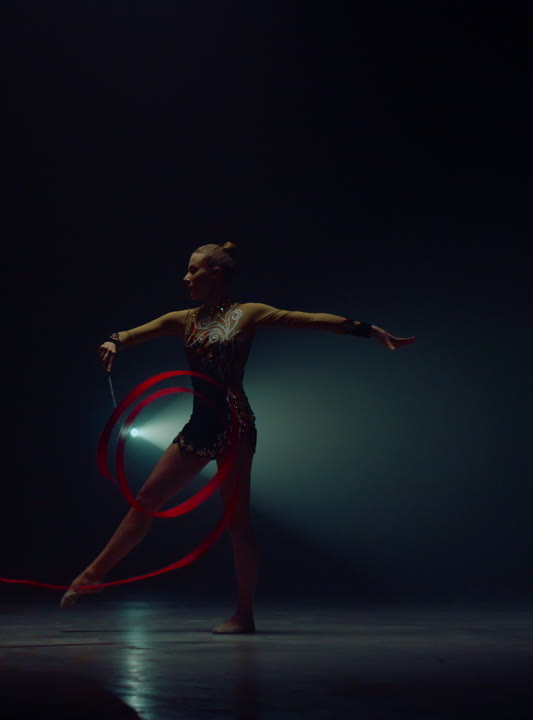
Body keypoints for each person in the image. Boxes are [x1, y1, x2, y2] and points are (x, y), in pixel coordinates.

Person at [59, 242, 416, 633]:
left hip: (235, 423)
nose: (185, 277)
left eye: (193, 270)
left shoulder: (249, 313)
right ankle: (92, 575)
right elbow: (134, 333)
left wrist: (368, 330)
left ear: (215, 273)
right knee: (146, 499)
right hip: (200, 422)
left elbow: (309, 319)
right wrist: (113, 340)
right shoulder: (184, 319)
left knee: (237, 522)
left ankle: (244, 614)